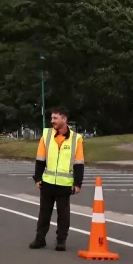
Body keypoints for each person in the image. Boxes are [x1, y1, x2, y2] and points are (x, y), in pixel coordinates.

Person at [30, 106, 84, 251]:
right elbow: (40, 159)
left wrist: (77, 183)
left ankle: (61, 241)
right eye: (52, 118)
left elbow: (79, 163)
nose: (52, 121)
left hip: (64, 184)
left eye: (55, 118)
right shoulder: (46, 135)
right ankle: (40, 239)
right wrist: (37, 178)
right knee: (44, 213)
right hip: (47, 182)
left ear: (64, 119)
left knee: (63, 215)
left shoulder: (76, 139)